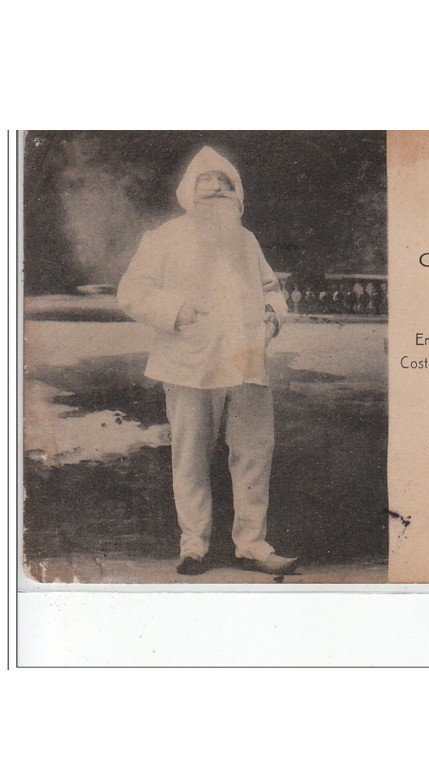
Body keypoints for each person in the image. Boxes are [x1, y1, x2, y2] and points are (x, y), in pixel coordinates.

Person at [117, 146, 297, 576]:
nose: (215, 190)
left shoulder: (246, 239)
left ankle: (251, 545)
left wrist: (272, 318)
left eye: (224, 184)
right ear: (188, 193)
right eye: (206, 183)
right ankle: (194, 546)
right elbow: (132, 293)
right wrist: (176, 311)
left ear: (237, 194)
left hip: (246, 361)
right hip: (188, 362)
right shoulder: (163, 239)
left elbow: (271, 287)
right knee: (191, 456)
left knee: (254, 452)